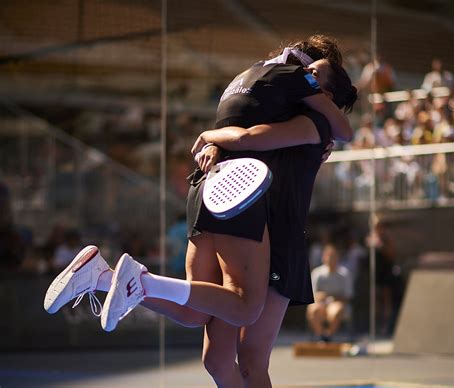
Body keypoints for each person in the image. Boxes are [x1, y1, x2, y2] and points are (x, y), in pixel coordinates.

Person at [44, 35, 357, 387]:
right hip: (243, 216)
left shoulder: (315, 124)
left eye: (318, 78)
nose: (309, 78)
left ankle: (104, 277)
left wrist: (212, 136)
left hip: (278, 239)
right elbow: (247, 136)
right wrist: (216, 139)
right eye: (309, 73)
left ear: (328, 97)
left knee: (223, 347)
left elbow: (256, 136)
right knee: (227, 338)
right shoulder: (278, 99)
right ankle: (135, 281)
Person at [306, 244, 353, 342]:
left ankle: (328, 335)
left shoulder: (344, 274)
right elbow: (312, 294)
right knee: (313, 310)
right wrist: (321, 297)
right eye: (328, 256)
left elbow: (348, 295)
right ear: (323, 257)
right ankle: (321, 336)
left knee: (336, 311)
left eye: (333, 256)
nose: (331, 259)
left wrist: (332, 297)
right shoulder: (317, 273)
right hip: (320, 304)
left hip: (336, 303)